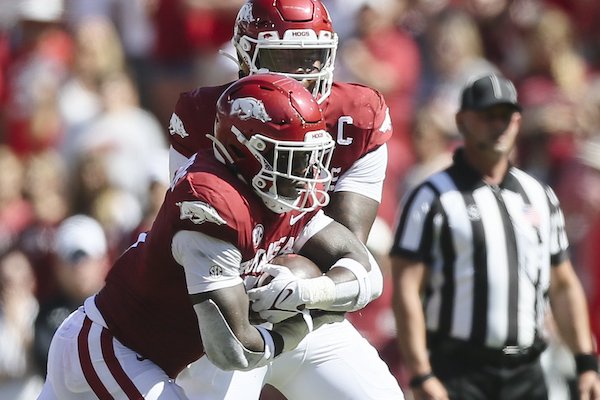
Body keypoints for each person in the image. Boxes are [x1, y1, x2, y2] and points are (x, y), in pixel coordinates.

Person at [38, 73, 389, 399]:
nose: (306, 174)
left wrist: (310, 292)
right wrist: (307, 320)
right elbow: (233, 349)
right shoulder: (211, 203)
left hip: (159, 359)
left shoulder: (274, 190)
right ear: (249, 150)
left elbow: (368, 272)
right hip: (109, 347)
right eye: (293, 159)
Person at [168, 1, 403, 399]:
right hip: (227, 310)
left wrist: (308, 291)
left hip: (307, 310)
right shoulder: (202, 114)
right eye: (283, 58)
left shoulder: (357, 117)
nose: (302, 74)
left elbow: (347, 252)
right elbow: (205, 237)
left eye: (312, 57)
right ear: (245, 57)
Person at [390, 73, 600, 400]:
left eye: (507, 117)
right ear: (462, 121)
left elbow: (562, 284)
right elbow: (406, 289)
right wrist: (420, 373)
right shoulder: (432, 197)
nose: (499, 126)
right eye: (488, 116)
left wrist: (585, 362)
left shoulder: (540, 195)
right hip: (458, 369)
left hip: (527, 370)